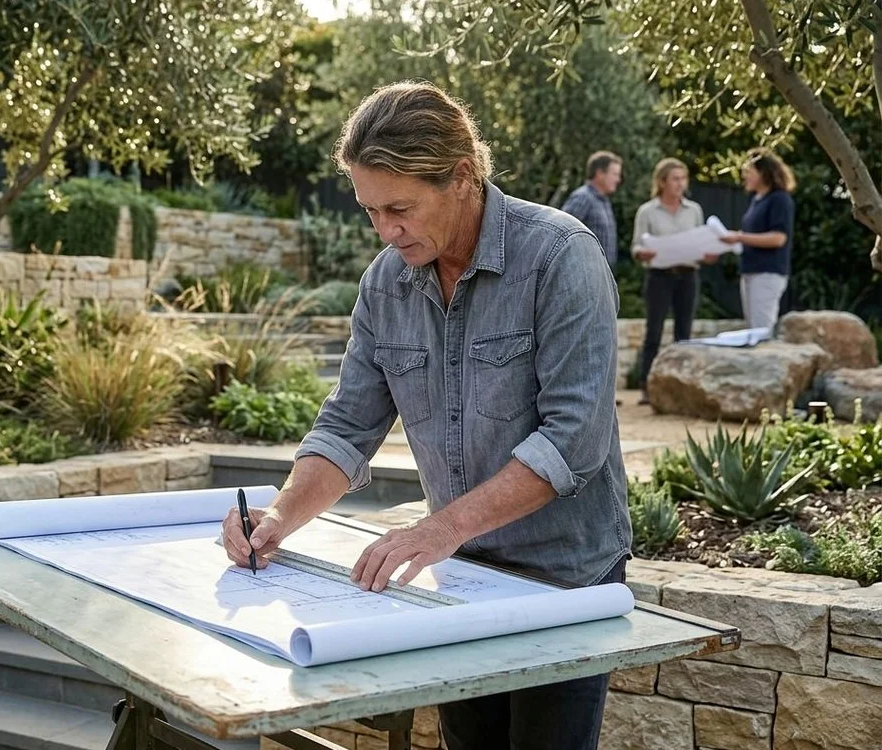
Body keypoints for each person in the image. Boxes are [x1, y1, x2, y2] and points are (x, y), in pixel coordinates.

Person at [221, 81, 631, 750]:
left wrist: (439, 528)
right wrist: (278, 518)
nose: (385, 231)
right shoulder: (385, 284)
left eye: (400, 208)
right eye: (370, 211)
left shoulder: (561, 256)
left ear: (462, 177)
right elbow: (347, 426)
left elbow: (574, 440)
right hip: (460, 578)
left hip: (566, 580)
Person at [631, 158, 706, 405]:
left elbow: (700, 241)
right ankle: (646, 386)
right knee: (653, 332)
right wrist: (644, 253)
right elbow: (636, 247)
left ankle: (683, 388)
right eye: (675, 179)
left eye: (683, 179)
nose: (680, 184)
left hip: (688, 275)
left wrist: (707, 251)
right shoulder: (647, 211)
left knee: (684, 334)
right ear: (662, 182)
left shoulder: (694, 210)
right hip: (660, 276)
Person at [721, 147, 796, 331]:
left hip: (767, 272)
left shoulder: (779, 199)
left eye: (749, 171)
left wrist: (740, 237)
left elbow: (778, 238)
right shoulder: (756, 200)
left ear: (763, 173)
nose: (744, 176)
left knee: (762, 328)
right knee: (752, 327)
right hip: (750, 270)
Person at [561, 151, 623, 268]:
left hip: (601, 272)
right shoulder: (583, 197)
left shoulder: (604, 201)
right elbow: (562, 232)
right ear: (600, 174)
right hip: (583, 270)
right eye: (615, 174)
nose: (618, 179)